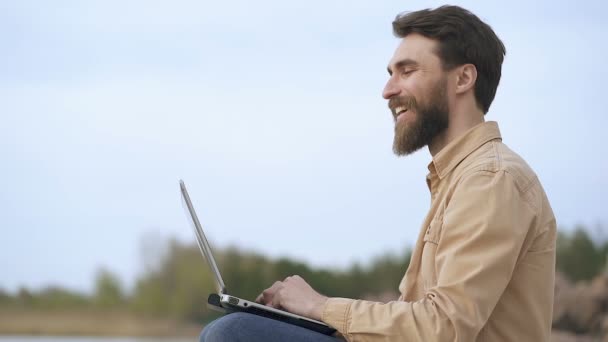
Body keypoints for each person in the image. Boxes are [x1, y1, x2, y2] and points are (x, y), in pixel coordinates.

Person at [200, 5, 556, 342]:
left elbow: (444, 328)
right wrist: (311, 316)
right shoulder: (460, 179)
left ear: (463, 78)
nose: (388, 90)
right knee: (245, 327)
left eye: (408, 70)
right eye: (390, 74)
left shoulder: (491, 179)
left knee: (232, 334)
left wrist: (319, 306)